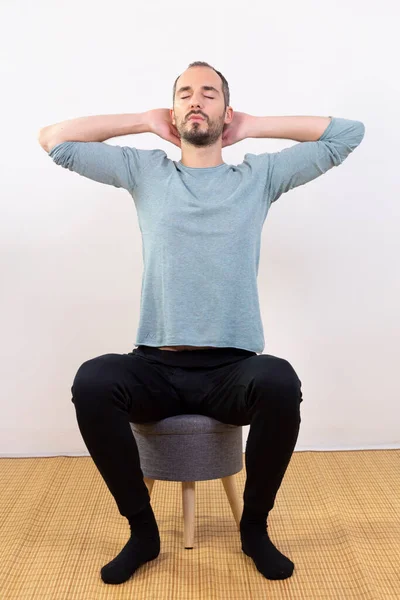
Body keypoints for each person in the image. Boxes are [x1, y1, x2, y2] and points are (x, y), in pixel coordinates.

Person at [38, 61, 365, 584]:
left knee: (279, 380)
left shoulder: (259, 177)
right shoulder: (147, 171)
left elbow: (348, 134)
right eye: (185, 93)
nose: (196, 100)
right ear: (173, 110)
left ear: (224, 111)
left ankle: (254, 529)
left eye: (209, 94)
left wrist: (253, 125)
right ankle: (143, 533)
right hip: (156, 366)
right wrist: (143, 120)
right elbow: (54, 140)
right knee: (93, 380)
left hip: (231, 372)